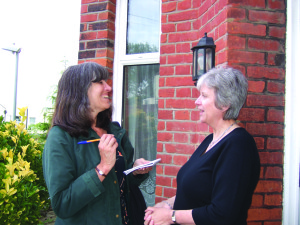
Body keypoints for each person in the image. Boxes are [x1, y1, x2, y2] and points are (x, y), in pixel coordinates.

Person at [144, 67, 260, 225]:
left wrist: (170, 216)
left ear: (224, 103)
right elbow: (195, 192)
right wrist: (166, 205)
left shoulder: (238, 146)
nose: (196, 101)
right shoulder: (211, 140)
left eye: (204, 96)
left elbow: (222, 215)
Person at [42, 62, 152, 225]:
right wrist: (103, 167)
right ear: (79, 90)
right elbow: (62, 204)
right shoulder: (60, 137)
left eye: (106, 82)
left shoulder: (114, 131)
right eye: (100, 82)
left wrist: (135, 171)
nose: (108, 87)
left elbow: (120, 186)